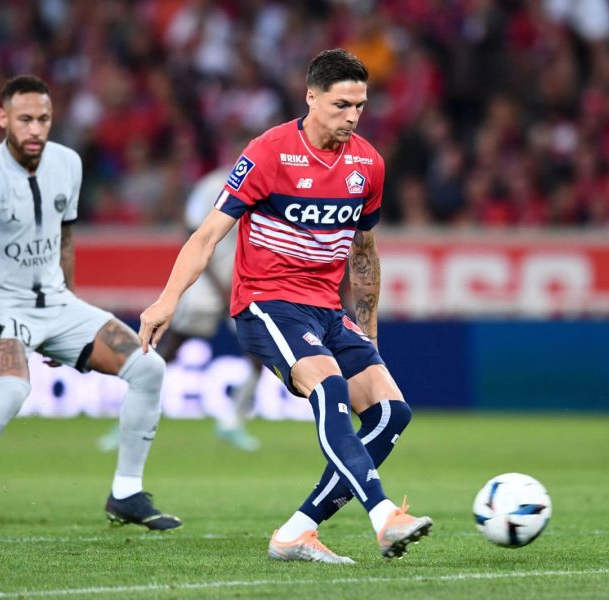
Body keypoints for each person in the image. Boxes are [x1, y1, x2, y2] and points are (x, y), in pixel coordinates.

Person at [138, 49, 432, 562]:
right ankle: (384, 514)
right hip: (266, 303)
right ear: (311, 97)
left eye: (361, 105)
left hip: (326, 309)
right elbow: (207, 235)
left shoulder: (368, 163)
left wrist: (370, 334)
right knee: (330, 386)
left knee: (392, 414)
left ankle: (296, 531)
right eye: (342, 105)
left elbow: (363, 252)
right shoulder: (269, 153)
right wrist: (166, 300)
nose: (353, 117)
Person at [0, 75, 180, 537]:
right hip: (2, 309)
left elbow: (64, 237)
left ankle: (126, 493)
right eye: (24, 119)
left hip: (58, 303)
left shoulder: (68, 163)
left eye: (43, 119)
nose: (35, 129)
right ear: (3, 119)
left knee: (149, 368)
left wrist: (71, 316)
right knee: (10, 393)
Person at [97, 165, 262, 453]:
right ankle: (129, 417)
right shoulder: (213, 184)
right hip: (207, 280)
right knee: (169, 349)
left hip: (245, 281)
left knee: (260, 353)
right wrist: (219, 286)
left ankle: (232, 422)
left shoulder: (267, 185)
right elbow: (193, 231)